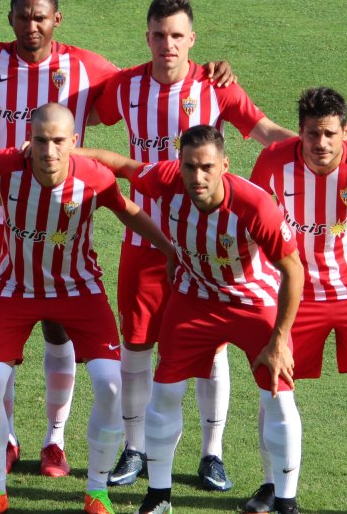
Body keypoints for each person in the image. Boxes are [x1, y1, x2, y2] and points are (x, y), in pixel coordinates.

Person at [92, 0, 294, 490]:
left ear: (192, 39)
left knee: (213, 349)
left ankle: (212, 453)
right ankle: (134, 448)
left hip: (208, 243)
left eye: (177, 36)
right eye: (159, 36)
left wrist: (325, 150)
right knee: (136, 347)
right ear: (147, 38)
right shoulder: (125, 86)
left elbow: (264, 130)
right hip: (145, 237)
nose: (168, 45)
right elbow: (79, 116)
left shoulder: (216, 85)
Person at [0, 103, 174, 514]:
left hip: (80, 290)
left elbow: (128, 212)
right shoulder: (5, 166)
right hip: (15, 289)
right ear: (28, 141)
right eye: (40, 140)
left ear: (74, 142)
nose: (49, 151)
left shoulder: (93, 178)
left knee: (111, 384)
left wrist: (170, 250)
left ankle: (97, 491)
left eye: (58, 141)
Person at [111, 125, 304, 514]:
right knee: (164, 391)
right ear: (178, 164)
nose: (197, 177)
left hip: (253, 302)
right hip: (195, 298)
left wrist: (280, 339)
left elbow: (293, 271)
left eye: (206, 167)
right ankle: (159, 495)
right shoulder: (166, 182)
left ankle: (285, 502)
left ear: (225, 165)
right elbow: (117, 163)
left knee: (278, 395)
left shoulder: (255, 205)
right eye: (189, 167)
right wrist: (65, 155)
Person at [249, 88, 347, 514]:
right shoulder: (273, 162)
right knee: (275, 385)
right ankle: (274, 488)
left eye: (329, 134)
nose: (320, 143)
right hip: (292, 293)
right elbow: (250, 216)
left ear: (345, 132)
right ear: (299, 132)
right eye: (312, 134)